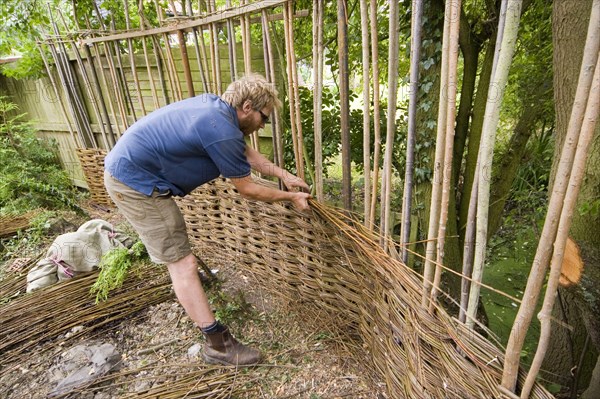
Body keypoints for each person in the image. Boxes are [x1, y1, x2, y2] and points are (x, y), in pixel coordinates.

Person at [103, 74, 311, 366]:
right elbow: (247, 189)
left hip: (133, 170)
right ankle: (218, 345)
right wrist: (290, 198)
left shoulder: (216, 111)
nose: (263, 125)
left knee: (179, 253)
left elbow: (243, 151)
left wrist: (283, 176)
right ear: (248, 107)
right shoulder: (219, 127)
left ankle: (192, 289)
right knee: (181, 262)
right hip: (133, 182)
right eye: (264, 118)